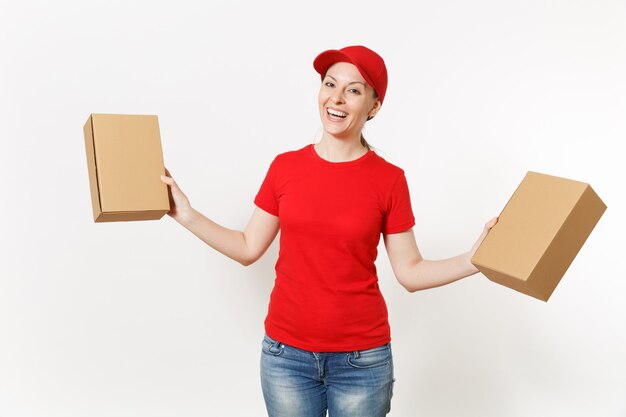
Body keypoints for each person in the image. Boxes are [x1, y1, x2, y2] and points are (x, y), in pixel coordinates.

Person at [160, 45, 498, 417]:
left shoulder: (389, 180)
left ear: (374, 106)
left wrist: (474, 260)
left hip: (361, 363)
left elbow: (411, 273)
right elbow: (247, 246)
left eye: (353, 90)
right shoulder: (285, 168)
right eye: (329, 84)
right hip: (285, 358)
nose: (336, 98)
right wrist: (186, 214)